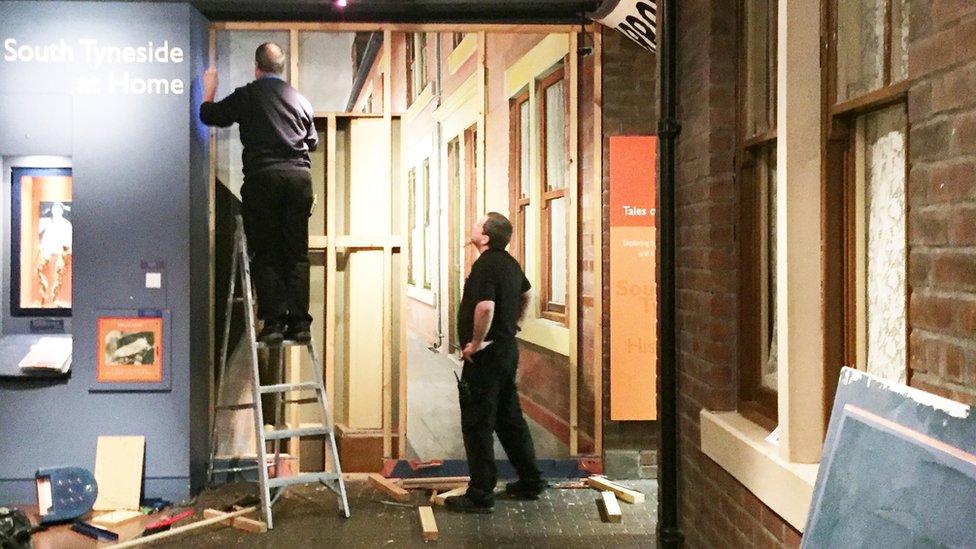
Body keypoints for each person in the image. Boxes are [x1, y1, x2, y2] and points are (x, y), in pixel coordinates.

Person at [199, 42, 318, 346]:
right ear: (281, 68)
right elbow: (312, 142)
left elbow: (211, 116)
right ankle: (301, 324)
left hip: (264, 179)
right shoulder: (301, 100)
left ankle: (275, 324)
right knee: (296, 253)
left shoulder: (248, 95)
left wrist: (208, 90)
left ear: (256, 68)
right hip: (299, 179)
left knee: (266, 252)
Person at [445, 212, 546, 514]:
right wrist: (515, 324)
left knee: (478, 423)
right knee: (509, 418)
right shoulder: (510, 263)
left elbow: (485, 307)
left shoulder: (485, 265)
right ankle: (531, 480)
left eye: (478, 223)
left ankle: (480, 494)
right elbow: (527, 294)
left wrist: (475, 344)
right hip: (506, 351)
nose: (472, 226)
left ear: (486, 236)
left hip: (486, 357)